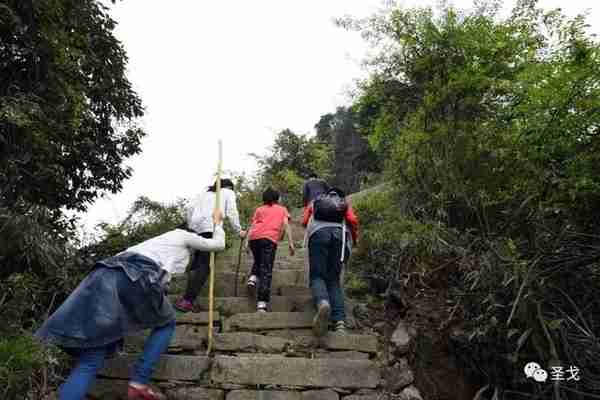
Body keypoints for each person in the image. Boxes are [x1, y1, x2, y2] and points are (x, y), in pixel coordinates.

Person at [35, 210, 227, 400]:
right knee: (166, 322)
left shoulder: (147, 245)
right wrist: (217, 223)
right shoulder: (182, 234)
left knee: (92, 357)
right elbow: (218, 244)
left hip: (101, 276)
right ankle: (139, 380)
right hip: (136, 276)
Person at [174, 178, 246, 312]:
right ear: (229, 187)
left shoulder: (203, 194)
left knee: (196, 264)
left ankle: (186, 297)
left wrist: (192, 226)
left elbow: (190, 209)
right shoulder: (227, 192)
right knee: (205, 266)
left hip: (197, 231)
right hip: (212, 228)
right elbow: (232, 211)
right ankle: (187, 300)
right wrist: (238, 230)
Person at [302, 187, 358, 336]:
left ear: (327, 194)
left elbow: (305, 221)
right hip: (339, 236)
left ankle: (323, 302)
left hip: (318, 235)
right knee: (333, 280)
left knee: (317, 276)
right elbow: (352, 220)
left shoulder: (317, 201)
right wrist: (354, 240)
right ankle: (339, 322)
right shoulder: (343, 203)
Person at [246, 187, 295, 312]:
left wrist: (247, 242)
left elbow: (253, 226)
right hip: (269, 240)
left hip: (254, 239)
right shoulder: (282, 209)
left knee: (258, 260)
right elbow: (285, 225)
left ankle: (252, 279)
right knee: (266, 269)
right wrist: (290, 243)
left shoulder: (259, 209)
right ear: (277, 198)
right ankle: (262, 304)